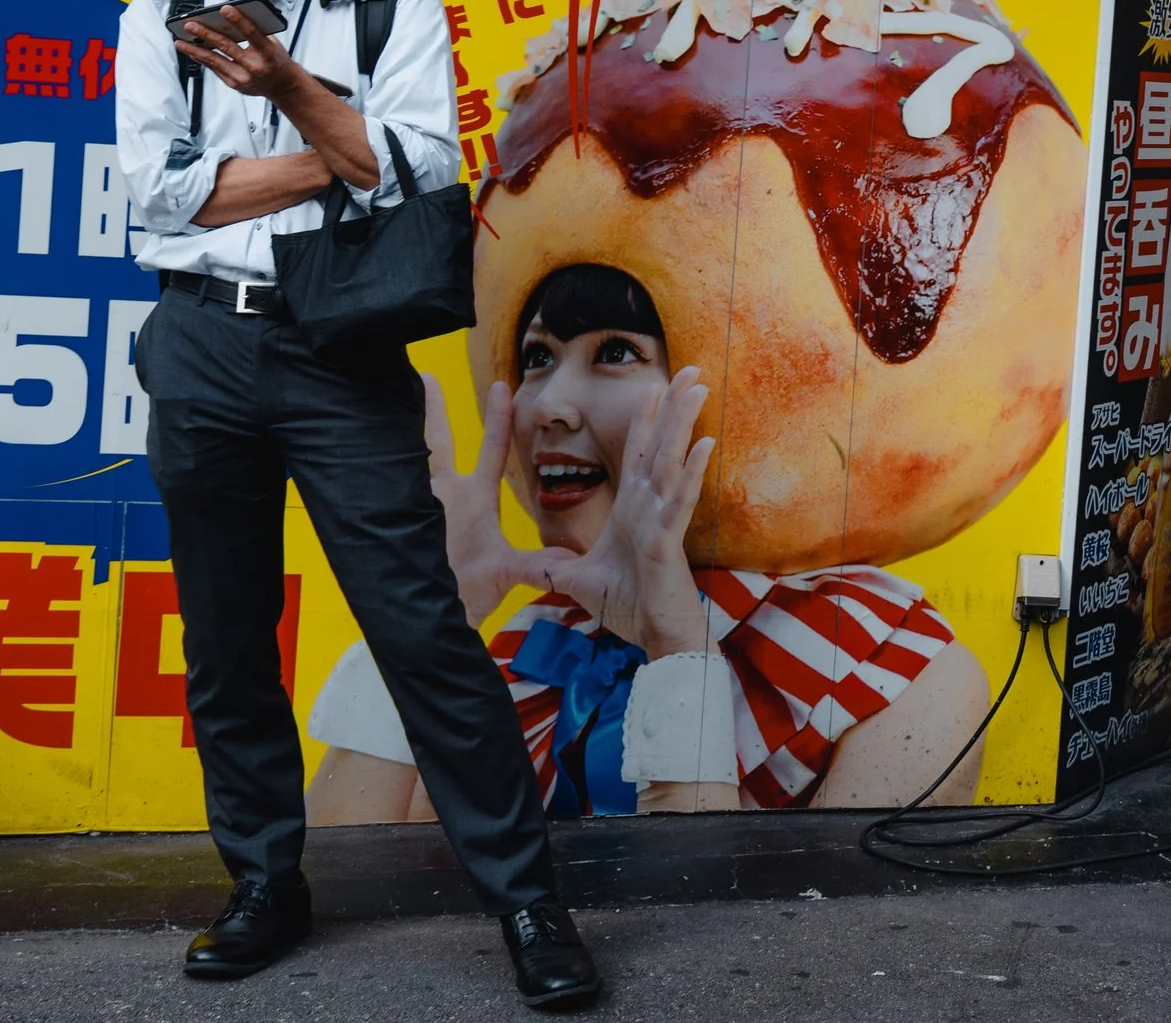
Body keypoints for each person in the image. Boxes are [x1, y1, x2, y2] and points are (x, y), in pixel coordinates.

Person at [115, 0, 597, 1007]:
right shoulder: (154, 15)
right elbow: (156, 206)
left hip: (340, 351)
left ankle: (529, 901)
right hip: (202, 343)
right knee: (226, 638)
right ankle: (266, 879)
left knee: (422, 630)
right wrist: (332, 151)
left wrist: (287, 93)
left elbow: (422, 181)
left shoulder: (395, 5)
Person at [303, 264, 989, 819]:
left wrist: (676, 651)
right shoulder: (522, 654)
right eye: (537, 356)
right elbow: (347, 897)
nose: (547, 406)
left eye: (617, 352)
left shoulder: (895, 665)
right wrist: (424, 613)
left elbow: (760, 965)